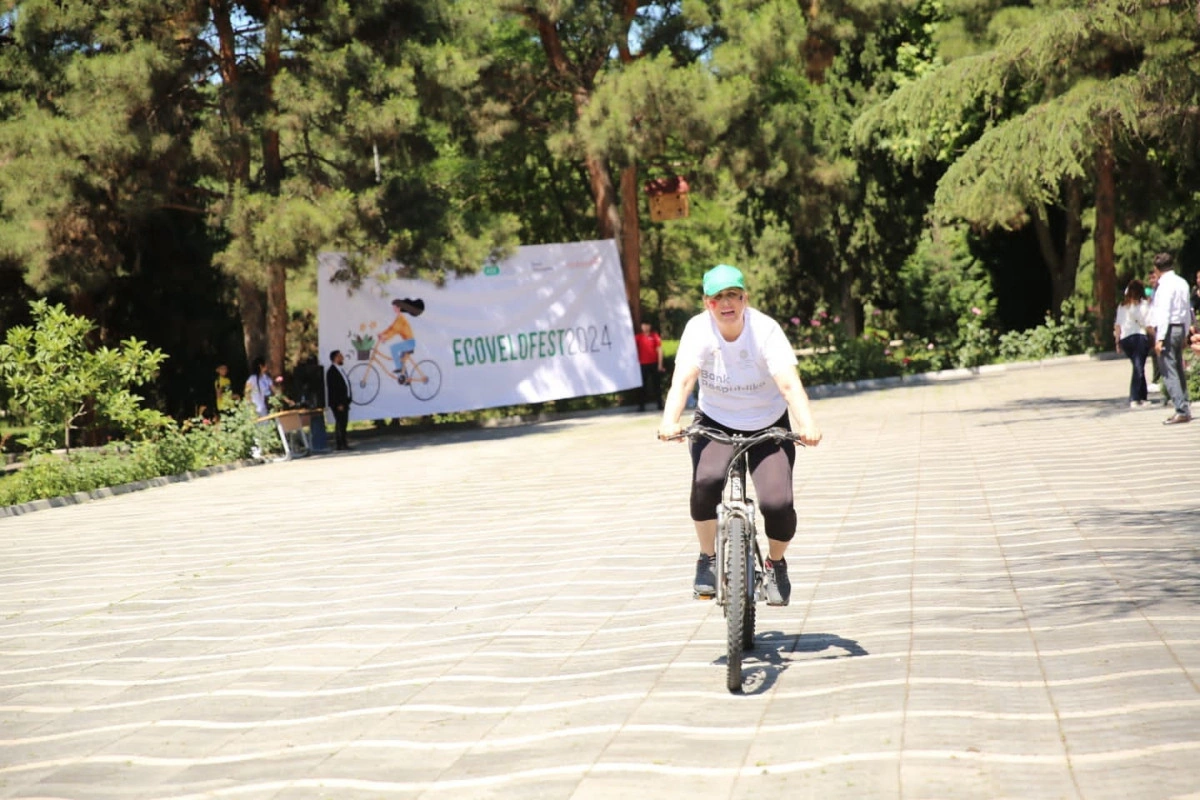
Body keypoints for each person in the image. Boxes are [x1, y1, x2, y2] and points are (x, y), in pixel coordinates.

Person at [657, 264, 822, 607]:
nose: (726, 303)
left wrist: (807, 424)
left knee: (777, 503)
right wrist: (670, 421)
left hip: (767, 423)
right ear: (707, 303)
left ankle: (775, 564)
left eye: (733, 295)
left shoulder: (765, 330)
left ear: (745, 298)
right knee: (706, 481)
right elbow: (684, 381)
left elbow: (789, 385)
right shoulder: (698, 330)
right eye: (717, 297)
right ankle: (708, 558)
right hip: (715, 422)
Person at [1148, 252, 1193, 425]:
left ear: (1157, 269)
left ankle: (1181, 409)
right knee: (1178, 368)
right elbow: (1187, 309)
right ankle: (1185, 405)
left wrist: (1160, 338)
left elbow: (1164, 312)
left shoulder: (1164, 286)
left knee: (1169, 370)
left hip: (1168, 329)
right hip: (1180, 327)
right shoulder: (1182, 282)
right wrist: (1186, 332)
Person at [1114, 280, 1152, 408]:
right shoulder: (1143, 305)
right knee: (1138, 366)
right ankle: (1135, 397)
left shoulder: (1122, 306)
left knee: (1138, 366)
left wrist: (1117, 341)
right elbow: (1148, 323)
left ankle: (1143, 396)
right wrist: (1154, 337)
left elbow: (1118, 325)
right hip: (1139, 336)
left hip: (1126, 339)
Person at [377, 298, 425, 382]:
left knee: (393, 348)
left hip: (409, 342)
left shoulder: (401, 319)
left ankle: (399, 368)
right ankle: (405, 379)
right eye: (394, 307)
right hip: (408, 342)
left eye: (395, 307)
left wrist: (385, 337)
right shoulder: (398, 318)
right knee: (401, 360)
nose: (393, 309)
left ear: (399, 308)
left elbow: (394, 331)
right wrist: (382, 334)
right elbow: (391, 328)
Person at [634, 320, 665, 412]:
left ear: (650, 326)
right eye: (643, 325)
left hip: (654, 363)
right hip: (642, 364)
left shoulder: (655, 336)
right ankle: (641, 406)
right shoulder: (638, 337)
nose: (645, 327)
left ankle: (660, 404)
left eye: (647, 325)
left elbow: (659, 350)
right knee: (642, 386)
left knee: (657, 385)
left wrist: (660, 364)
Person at [326, 350, 352, 450]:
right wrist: (338, 403)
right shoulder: (332, 372)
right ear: (335, 358)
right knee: (340, 422)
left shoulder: (340, 370)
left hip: (344, 401)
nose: (342, 358)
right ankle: (340, 444)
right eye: (340, 356)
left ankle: (343, 442)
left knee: (343, 422)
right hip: (338, 402)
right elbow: (333, 389)